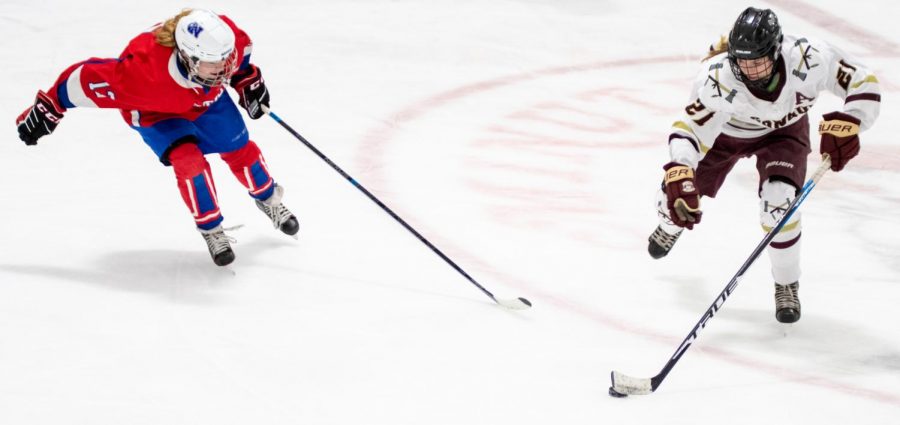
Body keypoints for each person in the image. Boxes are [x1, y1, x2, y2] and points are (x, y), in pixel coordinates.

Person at [647, 7, 880, 323]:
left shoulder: (809, 59)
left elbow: (862, 82)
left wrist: (851, 121)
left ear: (775, 49)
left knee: (779, 204)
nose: (750, 70)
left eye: (757, 61)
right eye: (742, 62)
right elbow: (689, 128)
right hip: (724, 134)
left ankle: (786, 283)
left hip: (784, 134)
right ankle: (669, 225)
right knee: (673, 202)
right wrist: (680, 169)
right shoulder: (717, 78)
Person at [15, 8, 299, 267]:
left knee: (239, 148)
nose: (224, 68)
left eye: (226, 60)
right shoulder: (140, 76)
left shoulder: (225, 40)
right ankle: (212, 229)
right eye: (215, 64)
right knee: (189, 162)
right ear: (189, 58)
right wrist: (49, 106)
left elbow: (240, 59)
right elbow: (83, 79)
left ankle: (269, 200)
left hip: (204, 100)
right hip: (155, 112)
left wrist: (246, 79)